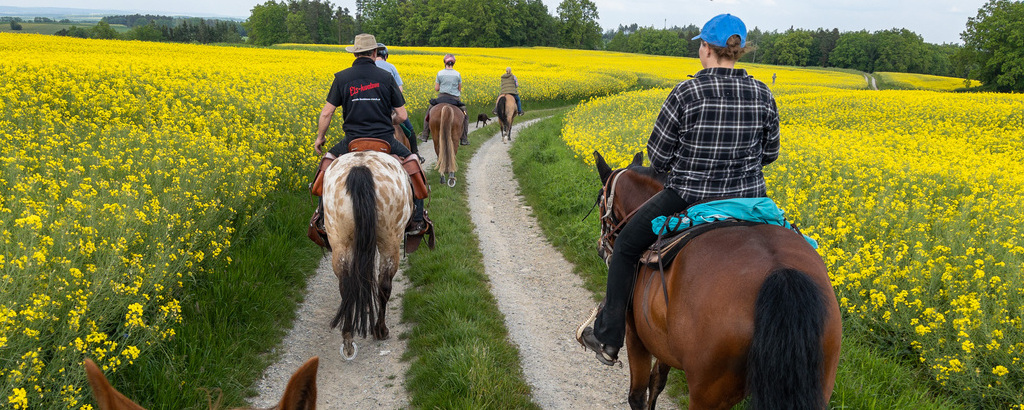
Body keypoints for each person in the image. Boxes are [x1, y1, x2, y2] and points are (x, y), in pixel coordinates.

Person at [577, 13, 781, 365]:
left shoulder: (687, 91)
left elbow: (657, 157)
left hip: (688, 196)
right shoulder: (763, 92)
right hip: (750, 200)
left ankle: (609, 338)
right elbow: (771, 154)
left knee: (625, 246)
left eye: (700, 45)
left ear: (706, 49)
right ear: (738, 51)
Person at [312, 33, 428, 234]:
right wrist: (388, 120)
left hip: (351, 141)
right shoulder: (387, 77)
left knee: (326, 167)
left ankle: (322, 216)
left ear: (355, 54)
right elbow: (401, 114)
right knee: (412, 163)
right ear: (375, 53)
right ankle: (418, 219)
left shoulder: (342, 78)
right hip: (384, 140)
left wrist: (320, 137)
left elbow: (327, 112)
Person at [374, 42, 420, 157]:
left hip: (369, 107)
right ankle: (415, 154)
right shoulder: (390, 67)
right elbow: (399, 89)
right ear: (385, 55)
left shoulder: (369, 67)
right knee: (409, 130)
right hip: (389, 108)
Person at [420, 53, 470, 145]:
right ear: (453, 63)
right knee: (465, 115)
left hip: (441, 98)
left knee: (429, 113)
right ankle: (464, 138)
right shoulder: (457, 74)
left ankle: (425, 134)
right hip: (454, 99)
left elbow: (436, 88)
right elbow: (459, 88)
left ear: (445, 63)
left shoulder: (440, 73)